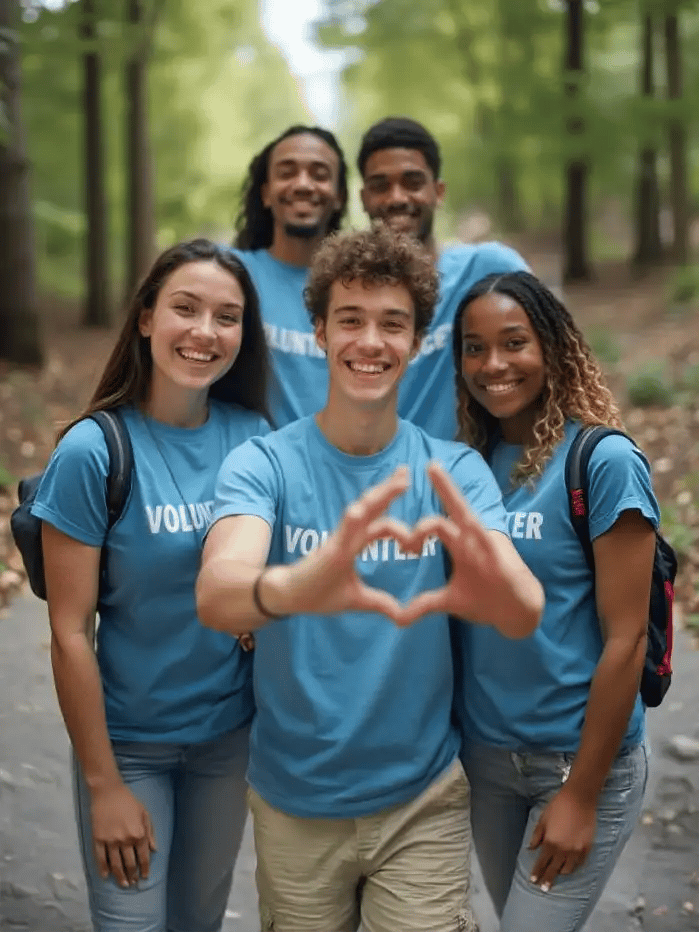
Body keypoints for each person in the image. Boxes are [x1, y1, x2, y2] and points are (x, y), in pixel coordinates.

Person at [196, 226, 543, 932]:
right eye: (349, 320)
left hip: (421, 801)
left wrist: (497, 593)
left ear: (418, 343)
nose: (370, 342)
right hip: (293, 805)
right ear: (318, 330)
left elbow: (521, 608)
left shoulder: (455, 471)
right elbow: (218, 590)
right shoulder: (264, 465)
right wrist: (296, 587)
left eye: (393, 324)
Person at [31, 240, 271, 932]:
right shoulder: (92, 452)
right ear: (144, 319)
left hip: (228, 740)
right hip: (129, 743)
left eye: (227, 317)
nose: (205, 331)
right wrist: (104, 785)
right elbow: (69, 633)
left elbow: (270, 573)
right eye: (185, 308)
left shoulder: (252, 437)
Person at [450, 270, 659, 931]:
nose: (493, 365)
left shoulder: (601, 462)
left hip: (577, 761)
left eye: (514, 342)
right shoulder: (465, 465)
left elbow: (626, 639)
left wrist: (581, 795)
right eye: (473, 347)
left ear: (553, 346)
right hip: (484, 761)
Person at [357, 115, 529, 440]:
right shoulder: (349, 298)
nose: (396, 198)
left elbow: (557, 362)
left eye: (412, 182)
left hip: (483, 478)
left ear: (438, 192)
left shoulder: (490, 268)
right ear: (365, 199)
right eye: (381, 186)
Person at [233, 123, 348, 426]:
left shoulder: (361, 288)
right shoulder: (231, 275)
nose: (303, 184)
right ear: (266, 193)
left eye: (320, 175)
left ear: (339, 196)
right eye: (286, 172)